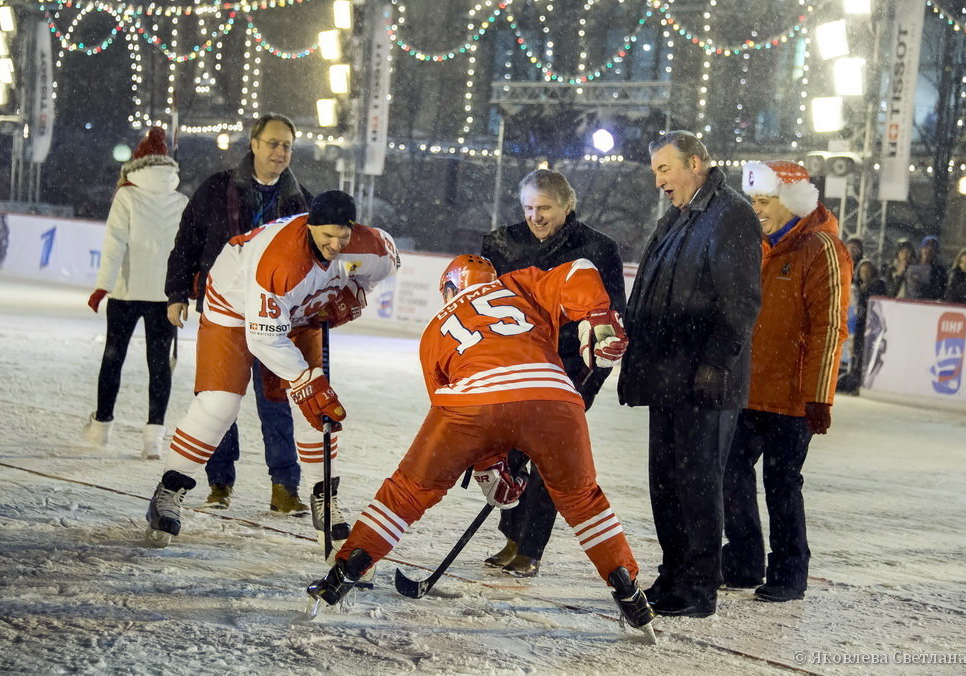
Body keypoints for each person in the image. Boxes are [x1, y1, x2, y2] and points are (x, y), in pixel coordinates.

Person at [307, 255, 654, 632]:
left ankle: (347, 569)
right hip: (552, 398)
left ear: (452, 287)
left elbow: (447, 403)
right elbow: (580, 269)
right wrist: (597, 315)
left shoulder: (435, 328)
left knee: (407, 493)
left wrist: (489, 467)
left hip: (469, 405)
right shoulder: (516, 285)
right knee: (583, 501)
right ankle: (627, 588)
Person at [145, 190, 399, 547]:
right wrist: (304, 381)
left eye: (343, 235)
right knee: (220, 404)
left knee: (320, 407)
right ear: (310, 226)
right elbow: (264, 338)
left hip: (295, 310)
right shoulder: (282, 261)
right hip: (233, 306)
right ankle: (169, 489)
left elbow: (387, 264)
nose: (336, 243)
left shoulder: (369, 245)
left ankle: (324, 494)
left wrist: (356, 288)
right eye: (327, 235)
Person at [617, 130, 762, 618]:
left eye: (665, 169)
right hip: (666, 376)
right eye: (655, 171)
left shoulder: (731, 215)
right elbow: (649, 294)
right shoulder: (676, 219)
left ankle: (699, 586)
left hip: (704, 383)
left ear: (695, 163)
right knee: (666, 483)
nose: (659, 181)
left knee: (698, 485)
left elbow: (739, 302)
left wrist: (714, 364)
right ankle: (673, 574)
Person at [479, 168, 626, 578]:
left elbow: (610, 316)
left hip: (570, 369)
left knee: (548, 458)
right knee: (508, 453)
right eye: (528, 208)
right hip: (514, 363)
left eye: (545, 208)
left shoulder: (598, 248)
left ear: (567, 206)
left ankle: (531, 545)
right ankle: (510, 534)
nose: (535, 217)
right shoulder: (500, 243)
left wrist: (590, 381)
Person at [165, 113, 314, 516]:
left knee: (276, 401)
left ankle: (284, 486)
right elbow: (188, 241)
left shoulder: (302, 202)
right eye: (273, 143)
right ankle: (219, 483)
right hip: (224, 313)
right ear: (253, 143)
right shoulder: (217, 189)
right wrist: (177, 291)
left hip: (275, 316)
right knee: (219, 399)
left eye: (287, 146)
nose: (280, 152)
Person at [723, 161, 851, 602]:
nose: (756, 209)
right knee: (729, 472)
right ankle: (742, 560)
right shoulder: (757, 247)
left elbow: (829, 327)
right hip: (748, 388)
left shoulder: (821, 249)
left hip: (792, 397)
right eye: (754, 200)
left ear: (792, 202)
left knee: (781, 483)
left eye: (765, 201)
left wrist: (819, 397)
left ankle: (790, 571)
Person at [82, 127, 188, 459]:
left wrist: (103, 285)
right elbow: (185, 252)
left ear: (136, 163)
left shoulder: (126, 195)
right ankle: (153, 439)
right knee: (159, 366)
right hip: (165, 297)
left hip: (126, 292)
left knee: (113, 358)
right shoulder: (182, 200)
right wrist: (183, 290)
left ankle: (101, 428)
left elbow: (114, 244)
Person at [847, 259, 888, 389]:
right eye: (863, 271)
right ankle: (854, 375)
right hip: (858, 324)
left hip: (870, 324)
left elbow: (874, 301)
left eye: (868, 271)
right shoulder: (856, 287)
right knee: (856, 350)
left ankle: (862, 377)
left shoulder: (877, 285)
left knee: (867, 351)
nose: (866, 274)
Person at [907, 235, 946, 300]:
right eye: (926, 246)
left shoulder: (939, 271)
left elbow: (938, 291)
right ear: (921, 249)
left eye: (932, 247)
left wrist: (920, 286)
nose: (928, 249)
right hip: (909, 302)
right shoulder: (910, 265)